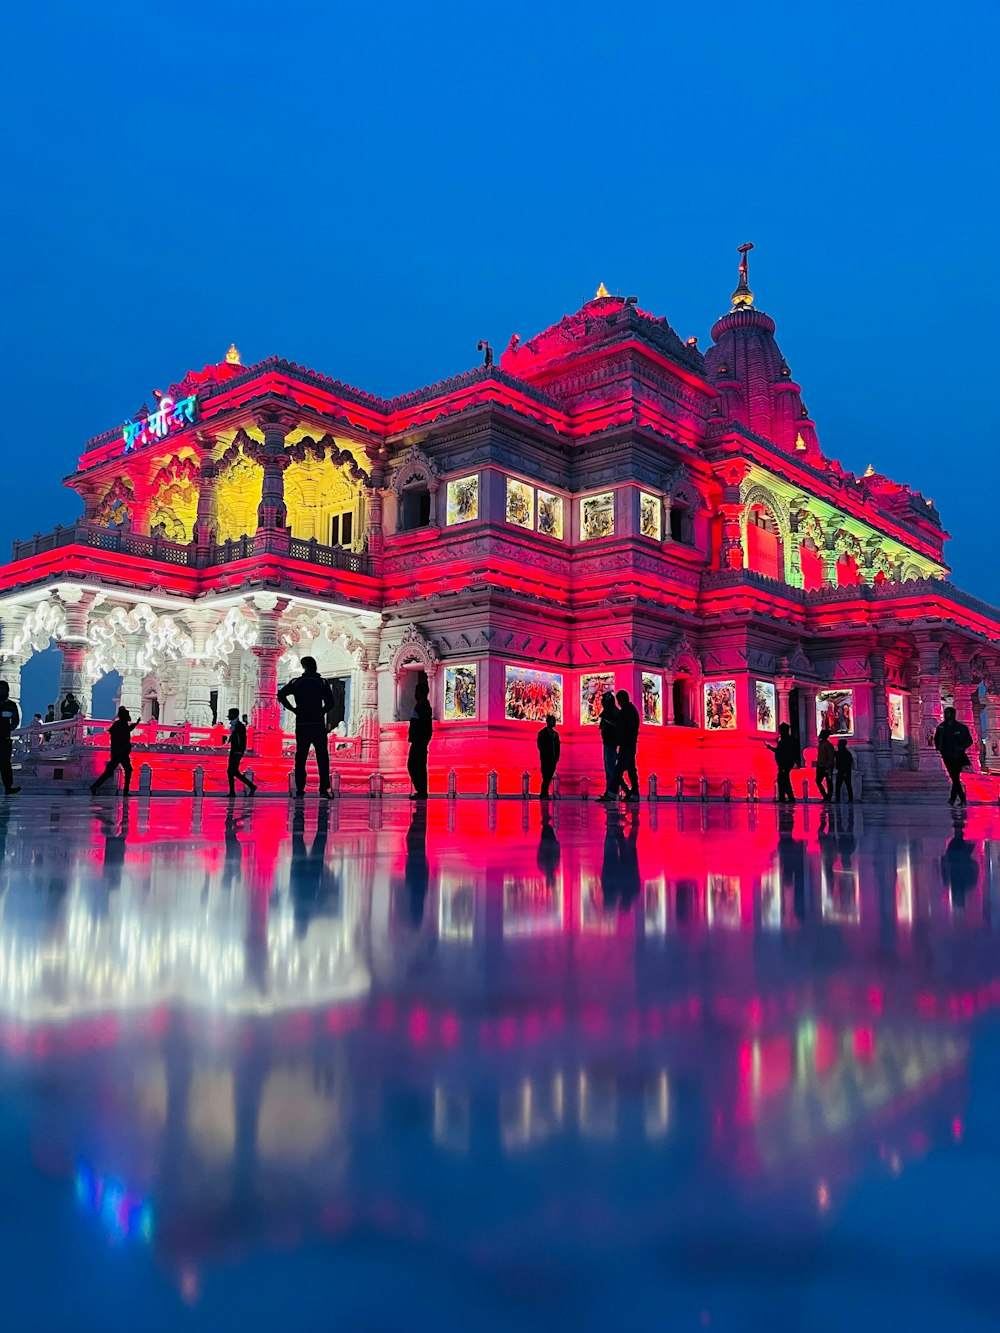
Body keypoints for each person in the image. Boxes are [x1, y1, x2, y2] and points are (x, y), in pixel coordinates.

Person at [277, 655, 335, 797]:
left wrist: (294, 709)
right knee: (322, 757)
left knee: (301, 757)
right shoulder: (322, 682)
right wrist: (320, 711)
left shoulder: (297, 682)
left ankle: (300, 789)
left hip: (302, 723)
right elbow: (331, 703)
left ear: (303, 667)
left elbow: (281, 695)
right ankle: (323, 789)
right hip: (317, 723)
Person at [90, 706, 139, 797]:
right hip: (120, 752)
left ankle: (95, 786)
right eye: (127, 715)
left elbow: (127, 729)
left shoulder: (119, 725)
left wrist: (136, 724)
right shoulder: (121, 725)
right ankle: (124, 791)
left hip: (118, 752)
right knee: (124, 770)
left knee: (114, 771)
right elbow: (124, 734)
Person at [934, 705, 974, 806]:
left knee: (954, 777)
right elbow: (936, 739)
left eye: (948, 713)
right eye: (945, 713)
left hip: (958, 755)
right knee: (954, 777)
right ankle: (959, 799)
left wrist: (961, 748)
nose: (946, 715)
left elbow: (969, 741)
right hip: (947, 755)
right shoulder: (941, 727)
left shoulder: (961, 727)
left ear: (952, 714)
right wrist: (939, 748)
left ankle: (957, 799)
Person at [406, 682, 433, 799]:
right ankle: (421, 790)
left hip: (420, 740)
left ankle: (422, 791)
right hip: (417, 740)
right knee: (415, 765)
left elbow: (426, 726)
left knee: (416, 765)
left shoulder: (424, 706)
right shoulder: (419, 705)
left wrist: (422, 739)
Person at [614, 688, 641, 801]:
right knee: (630, 769)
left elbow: (625, 728)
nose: (619, 703)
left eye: (619, 700)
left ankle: (626, 792)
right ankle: (634, 792)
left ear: (623, 699)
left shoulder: (627, 711)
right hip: (629, 744)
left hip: (627, 744)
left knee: (618, 770)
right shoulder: (630, 710)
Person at [226, 707, 257, 797]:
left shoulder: (239, 726)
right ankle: (234, 791)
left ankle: (250, 786)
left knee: (232, 771)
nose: (229, 716)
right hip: (234, 750)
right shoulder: (235, 725)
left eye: (230, 714)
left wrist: (239, 751)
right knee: (232, 771)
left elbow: (242, 740)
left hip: (237, 752)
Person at [597, 690, 621, 801]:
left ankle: (613, 792)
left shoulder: (611, 712)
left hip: (610, 744)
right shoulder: (612, 712)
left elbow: (613, 728)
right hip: (609, 743)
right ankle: (611, 791)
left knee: (610, 769)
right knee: (610, 769)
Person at [765, 721, 797, 803]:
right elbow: (778, 751)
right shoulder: (783, 740)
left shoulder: (787, 740)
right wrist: (770, 747)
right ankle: (784, 797)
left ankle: (789, 797)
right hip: (782, 764)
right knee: (782, 780)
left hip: (785, 764)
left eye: (780, 730)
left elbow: (786, 752)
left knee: (784, 780)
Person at [0, 683, 21, 795]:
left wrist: (9, 727)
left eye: (4, 689)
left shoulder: (11, 705)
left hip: (5, 737)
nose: (2, 691)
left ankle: (8, 787)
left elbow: (15, 720)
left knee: (5, 764)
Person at [536, 714, 560, 798]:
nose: (554, 723)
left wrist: (557, 757)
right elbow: (540, 745)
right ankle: (544, 793)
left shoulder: (556, 734)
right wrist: (545, 753)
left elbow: (558, 747)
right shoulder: (542, 733)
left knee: (549, 775)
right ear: (548, 722)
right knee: (545, 775)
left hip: (553, 759)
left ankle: (544, 793)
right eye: (553, 721)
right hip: (545, 758)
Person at [814, 728, 836, 803]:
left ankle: (828, 798)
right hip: (820, 765)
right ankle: (825, 796)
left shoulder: (828, 745)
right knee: (818, 781)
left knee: (829, 782)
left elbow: (831, 756)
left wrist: (828, 766)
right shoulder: (821, 744)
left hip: (826, 766)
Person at [834, 738, 854, 803]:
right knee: (839, 786)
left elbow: (848, 763)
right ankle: (839, 799)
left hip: (845, 772)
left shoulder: (846, 753)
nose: (838, 745)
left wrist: (845, 772)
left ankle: (850, 799)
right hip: (841, 771)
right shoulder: (842, 752)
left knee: (847, 785)